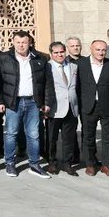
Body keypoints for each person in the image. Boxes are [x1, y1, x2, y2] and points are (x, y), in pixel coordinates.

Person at [0, 31, 50, 178]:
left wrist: (45, 102)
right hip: (13, 102)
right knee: (11, 134)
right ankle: (10, 163)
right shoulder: (4, 58)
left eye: (24, 42)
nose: (21, 45)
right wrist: (0, 101)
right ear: (13, 42)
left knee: (33, 134)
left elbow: (46, 83)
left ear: (30, 43)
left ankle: (34, 164)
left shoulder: (40, 58)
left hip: (33, 102)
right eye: (18, 42)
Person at [75, 40, 109, 178]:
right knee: (88, 137)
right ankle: (90, 164)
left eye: (103, 50)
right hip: (88, 106)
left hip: (108, 107)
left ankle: (106, 165)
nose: (101, 52)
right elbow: (76, 88)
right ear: (91, 49)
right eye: (98, 50)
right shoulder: (80, 65)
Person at [43, 42, 79, 176]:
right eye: (56, 53)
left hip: (71, 107)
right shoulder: (47, 67)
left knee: (69, 138)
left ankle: (67, 163)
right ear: (51, 54)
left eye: (61, 52)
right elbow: (44, 87)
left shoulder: (74, 66)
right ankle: (52, 162)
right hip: (54, 108)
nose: (59, 55)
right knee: (52, 138)